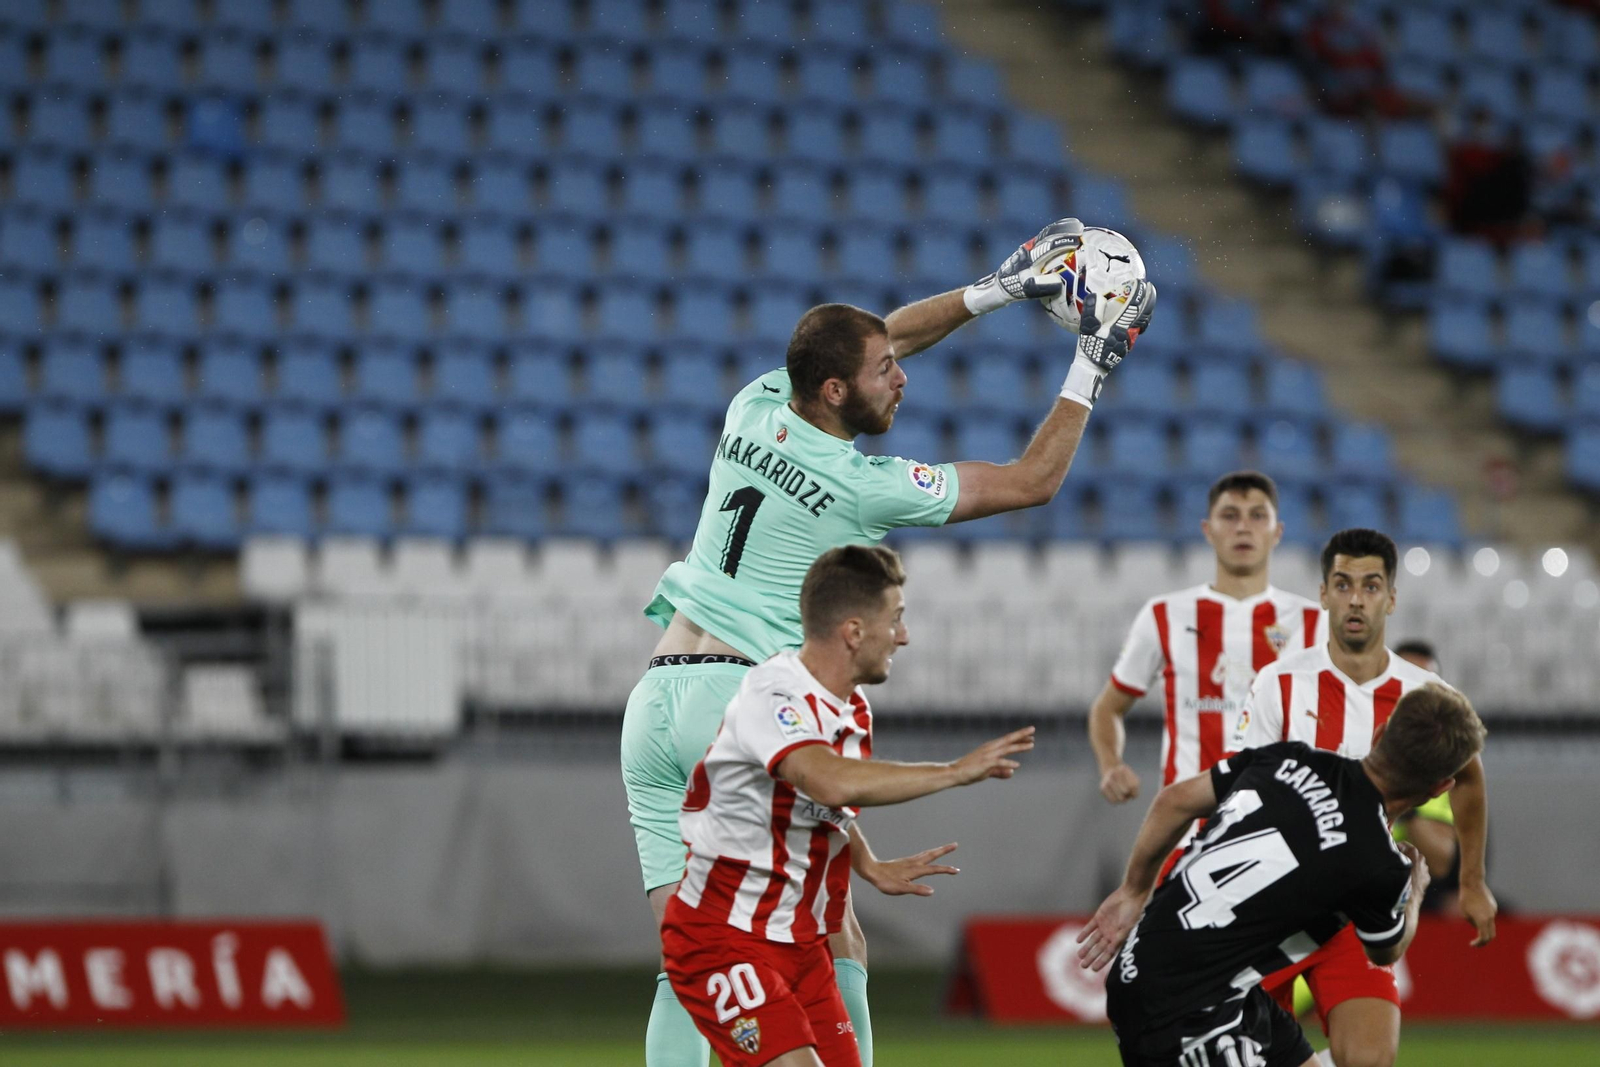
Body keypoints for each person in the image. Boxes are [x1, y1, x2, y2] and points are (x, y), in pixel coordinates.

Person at [626, 219, 1158, 1067]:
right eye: (885, 375)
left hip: (655, 701)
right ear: (836, 391)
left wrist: (1001, 288)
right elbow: (1031, 480)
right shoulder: (863, 487)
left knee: (694, 953)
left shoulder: (756, 403)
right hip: (739, 708)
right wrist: (1098, 353)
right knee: (830, 942)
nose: (903, 377)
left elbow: (884, 334)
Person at [663, 544, 1035, 1067]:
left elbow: (821, 800)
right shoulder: (774, 693)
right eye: (896, 619)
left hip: (803, 949)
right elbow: (825, 779)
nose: (903, 636)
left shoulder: (851, 709)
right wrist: (954, 771)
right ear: (855, 632)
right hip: (724, 937)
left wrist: (867, 862)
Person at [1078, 682, 1487, 1067]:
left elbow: (1175, 800)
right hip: (1182, 1015)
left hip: (1177, 972)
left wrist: (1133, 891)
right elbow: (1386, 949)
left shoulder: (1288, 756)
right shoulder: (1380, 864)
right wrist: (1414, 888)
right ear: (1441, 787)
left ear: (1378, 734)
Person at [1228, 528, 1496, 1067]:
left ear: (1391, 598)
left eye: (1371, 586)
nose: (1356, 599)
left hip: (1357, 913)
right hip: (1275, 908)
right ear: (1323, 593)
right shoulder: (1279, 683)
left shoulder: (1425, 694)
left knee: (1370, 1060)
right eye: (1343, 584)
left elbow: (1469, 775)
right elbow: (1241, 793)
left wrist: (1472, 882)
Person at [1088, 472, 1321, 815]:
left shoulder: (1314, 622)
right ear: (1207, 531)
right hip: (1186, 834)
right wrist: (1110, 765)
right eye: (1230, 516)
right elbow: (1107, 707)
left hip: (1282, 830)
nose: (1243, 527)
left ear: (1277, 532)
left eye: (1258, 516)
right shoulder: (1165, 616)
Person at [1391, 640, 1461, 915]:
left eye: (1423, 685)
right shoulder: (1348, 740)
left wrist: (1402, 796)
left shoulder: (1438, 766)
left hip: (1410, 894)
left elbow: (1440, 861)